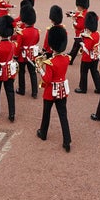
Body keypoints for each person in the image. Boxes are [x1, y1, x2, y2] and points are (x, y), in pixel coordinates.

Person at [36, 24, 71, 152]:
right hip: (62, 91)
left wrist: (40, 70)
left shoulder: (50, 63)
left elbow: (47, 79)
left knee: (46, 114)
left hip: (51, 92)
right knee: (63, 116)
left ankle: (43, 133)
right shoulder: (67, 59)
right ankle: (67, 140)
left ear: (52, 46)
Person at [14, 4, 40, 97]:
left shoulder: (22, 32)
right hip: (32, 54)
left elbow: (18, 46)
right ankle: (35, 92)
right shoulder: (36, 31)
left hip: (22, 56)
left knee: (22, 72)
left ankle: (22, 89)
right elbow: (37, 41)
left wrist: (15, 55)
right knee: (32, 73)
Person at [73, 11, 100, 94]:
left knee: (84, 73)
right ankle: (99, 88)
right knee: (95, 72)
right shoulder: (97, 34)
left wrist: (80, 42)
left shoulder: (89, 37)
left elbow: (86, 48)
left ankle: (83, 88)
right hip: (95, 57)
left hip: (87, 58)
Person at [66, 0, 89, 64]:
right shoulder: (84, 12)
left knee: (75, 47)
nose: (77, 7)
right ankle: (71, 56)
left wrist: (73, 21)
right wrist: (71, 14)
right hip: (82, 34)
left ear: (81, 6)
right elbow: (76, 14)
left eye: (78, 6)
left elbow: (79, 26)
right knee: (76, 47)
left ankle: (71, 59)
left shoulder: (82, 16)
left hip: (80, 34)